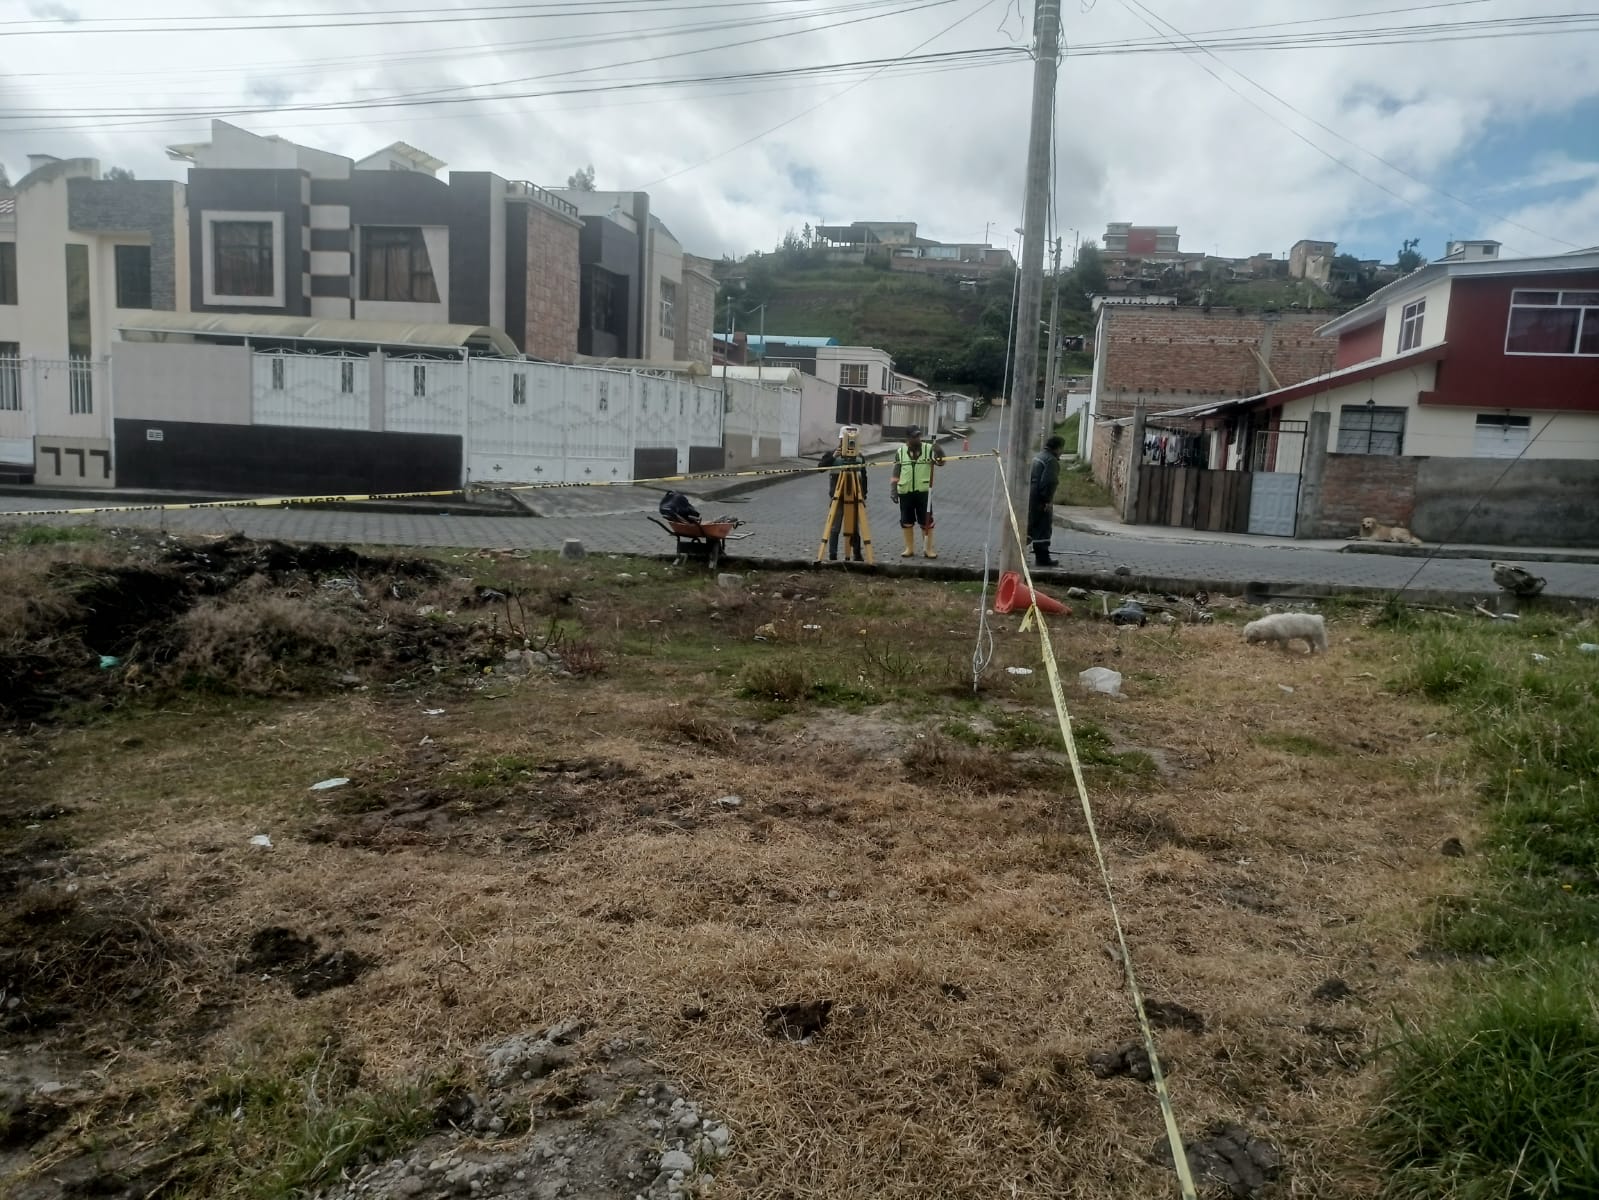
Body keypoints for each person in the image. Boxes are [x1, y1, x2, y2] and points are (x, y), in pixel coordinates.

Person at [890, 426, 945, 559]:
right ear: (908, 438)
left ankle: (928, 549)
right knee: (906, 520)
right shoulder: (900, 451)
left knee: (926, 521)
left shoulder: (928, 448)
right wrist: (893, 490)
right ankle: (909, 548)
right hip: (905, 491)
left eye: (919, 436)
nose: (917, 439)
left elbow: (941, 463)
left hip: (923, 491)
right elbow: (896, 472)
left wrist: (939, 452)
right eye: (914, 437)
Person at [817, 425, 867, 561]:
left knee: (854, 527)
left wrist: (864, 496)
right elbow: (820, 468)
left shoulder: (859, 457)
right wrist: (833, 457)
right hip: (837, 497)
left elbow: (864, 477)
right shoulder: (832, 455)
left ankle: (857, 554)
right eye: (844, 440)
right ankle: (832, 554)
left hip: (855, 496)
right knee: (835, 525)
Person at [1028, 435, 1066, 567]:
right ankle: (1043, 558)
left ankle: (1017, 552)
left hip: (1031, 496)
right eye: (1062, 448)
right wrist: (1046, 500)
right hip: (1040, 498)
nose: (1062, 452)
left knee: (1032, 525)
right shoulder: (1051, 461)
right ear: (1058, 448)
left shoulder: (1039, 456)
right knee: (1043, 528)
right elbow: (1049, 482)